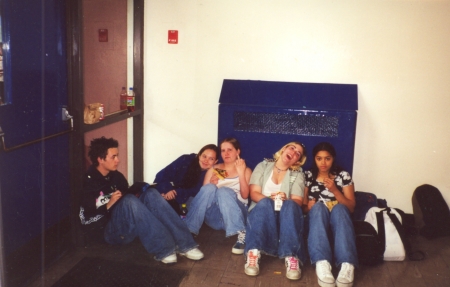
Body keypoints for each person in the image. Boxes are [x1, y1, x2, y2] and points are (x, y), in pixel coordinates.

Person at [79, 137, 204, 264]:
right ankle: (164, 248)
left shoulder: (117, 177)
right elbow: (85, 218)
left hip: (127, 226)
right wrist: (107, 206)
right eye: (113, 157)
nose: (118, 160)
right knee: (129, 200)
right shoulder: (88, 181)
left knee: (151, 193)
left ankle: (186, 245)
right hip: (107, 232)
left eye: (117, 156)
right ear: (100, 159)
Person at [244, 142, 307, 280]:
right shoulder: (263, 165)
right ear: (284, 149)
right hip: (262, 215)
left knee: (290, 205)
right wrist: (270, 200)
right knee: (265, 202)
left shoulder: (298, 174)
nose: (294, 152)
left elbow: (298, 201)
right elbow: (253, 193)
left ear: (298, 160)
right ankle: (253, 253)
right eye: (292, 148)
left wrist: (286, 199)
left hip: (285, 218)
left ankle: (292, 257)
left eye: (298, 153)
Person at [303, 142, 357, 287]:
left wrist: (335, 190)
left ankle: (347, 265)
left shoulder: (343, 176)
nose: (323, 163)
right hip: (316, 220)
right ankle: (322, 264)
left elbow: (351, 207)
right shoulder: (308, 175)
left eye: (327, 158)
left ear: (333, 158)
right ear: (314, 159)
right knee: (319, 207)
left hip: (338, 219)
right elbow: (302, 208)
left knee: (340, 209)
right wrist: (308, 207)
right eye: (319, 158)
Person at [185, 137, 252, 254]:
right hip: (215, 218)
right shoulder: (213, 169)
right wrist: (212, 184)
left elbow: (245, 196)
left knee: (224, 191)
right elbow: (203, 197)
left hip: (237, 215)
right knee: (209, 188)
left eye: (229, 150)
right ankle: (187, 230)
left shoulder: (246, 170)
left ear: (238, 152)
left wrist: (241, 174)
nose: (226, 153)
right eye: (223, 150)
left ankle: (242, 233)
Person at [153, 144, 220, 214]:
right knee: (152, 195)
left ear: (215, 161)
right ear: (199, 155)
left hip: (188, 199)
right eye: (204, 156)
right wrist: (167, 189)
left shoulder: (213, 172)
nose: (206, 161)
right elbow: (162, 175)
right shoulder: (185, 160)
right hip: (172, 193)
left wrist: (174, 193)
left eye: (211, 159)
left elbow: (195, 192)